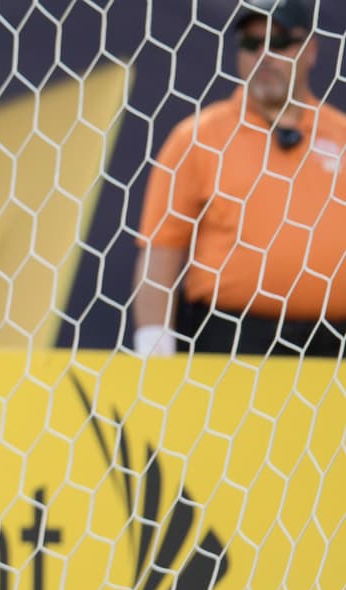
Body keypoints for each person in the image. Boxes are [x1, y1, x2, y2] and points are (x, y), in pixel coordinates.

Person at [132, 0, 346, 358]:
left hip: (333, 347)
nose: (264, 55)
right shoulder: (198, 137)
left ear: (309, 50)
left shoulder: (340, 134)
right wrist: (154, 344)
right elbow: (161, 249)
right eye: (250, 43)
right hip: (232, 343)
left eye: (279, 42)